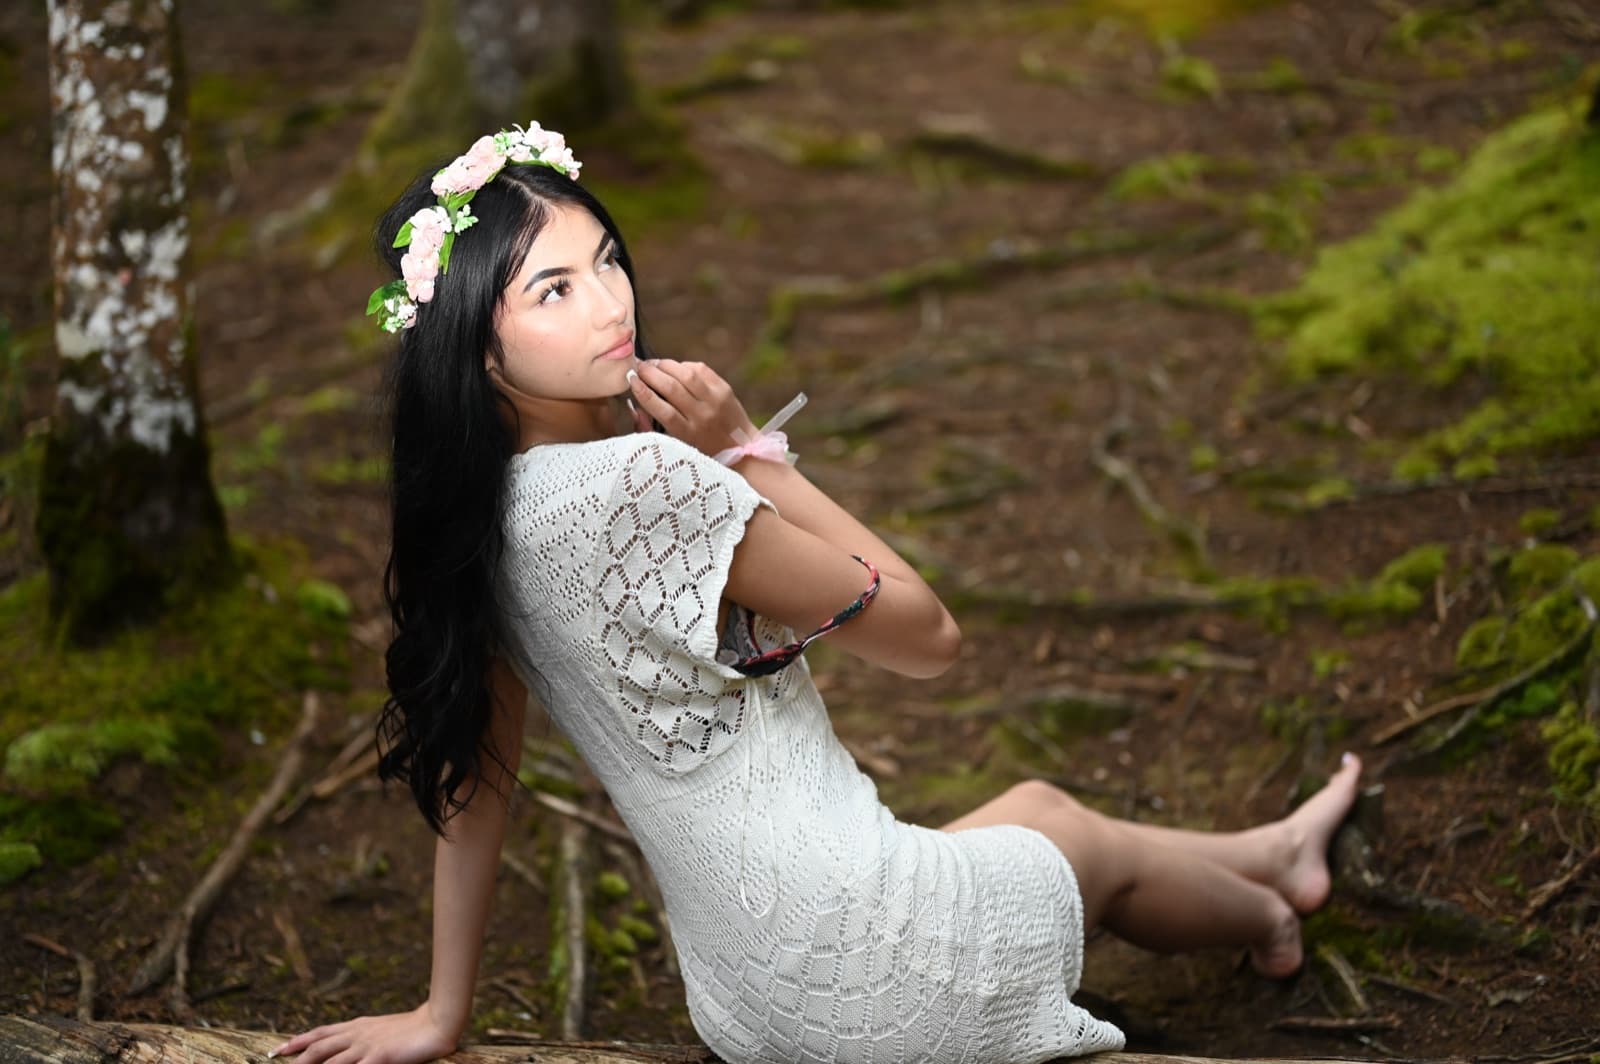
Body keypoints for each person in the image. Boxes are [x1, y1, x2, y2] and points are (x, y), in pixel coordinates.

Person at [270, 124, 1363, 1064]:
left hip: (752, 993)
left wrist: (441, 1008)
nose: (611, 304)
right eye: (553, 289)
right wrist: (745, 450)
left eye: (606, 260)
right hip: (869, 966)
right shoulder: (647, 480)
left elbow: (480, 773)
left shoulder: (481, 519)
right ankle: (1268, 905)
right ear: (477, 345)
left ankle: (1269, 851)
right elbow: (929, 634)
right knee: (1070, 829)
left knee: (1032, 812)